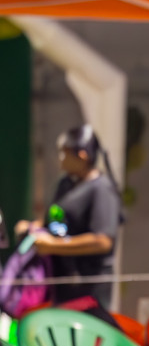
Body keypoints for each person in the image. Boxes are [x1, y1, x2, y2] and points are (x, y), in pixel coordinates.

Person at [13, 125, 121, 310]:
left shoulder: (102, 189)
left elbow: (103, 241)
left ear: (82, 155)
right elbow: (57, 221)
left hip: (90, 289)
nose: (60, 159)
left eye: (65, 153)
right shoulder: (65, 184)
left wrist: (54, 246)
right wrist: (32, 228)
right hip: (61, 286)